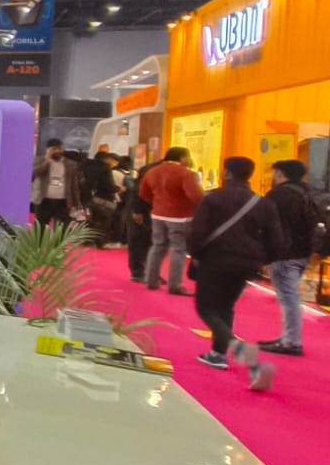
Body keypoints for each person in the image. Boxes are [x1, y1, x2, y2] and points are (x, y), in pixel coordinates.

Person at [189, 157, 284, 391]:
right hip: (246, 264)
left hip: (215, 259)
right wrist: (261, 261)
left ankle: (247, 358)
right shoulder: (263, 204)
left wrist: (196, 254)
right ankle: (217, 354)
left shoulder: (213, 199)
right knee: (225, 307)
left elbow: (197, 232)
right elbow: (276, 241)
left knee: (206, 308)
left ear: (227, 173)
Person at [260, 160, 325, 356]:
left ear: (280, 173)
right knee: (289, 296)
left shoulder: (278, 195)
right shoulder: (308, 193)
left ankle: (291, 341)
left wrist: (263, 254)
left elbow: (268, 226)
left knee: (288, 297)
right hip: (303, 252)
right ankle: (287, 337)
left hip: (283, 253)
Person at [139, 147, 204, 295]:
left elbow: (143, 193)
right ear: (182, 158)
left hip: (157, 214)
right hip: (180, 216)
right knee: (178, 249)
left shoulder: (152, 171)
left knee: (157, 246)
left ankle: (150, 280)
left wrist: (157, 203)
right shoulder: (186, 173)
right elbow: (196, 196)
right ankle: (175, 285)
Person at [31, 139, 82, 227]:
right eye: (54, 149)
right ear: (48, 150)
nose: (58, 151)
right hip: (43, 200)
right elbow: (33, 175)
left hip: (63, 202)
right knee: (40, 227)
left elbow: (74, 186)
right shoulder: (39, 160)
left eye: (59, 148)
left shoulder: (70, 164)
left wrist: (78, 205)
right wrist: (47, 161)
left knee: (61, 228)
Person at [81, 152, 120, 247]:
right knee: (104, 221)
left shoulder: (87, 166)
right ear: (108, 159)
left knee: (93, 219)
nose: (115, 164)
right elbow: (108, 185)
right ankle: (100, 242)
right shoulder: (105, 168)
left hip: (89, 196)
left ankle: (87, 240)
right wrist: (117, 188)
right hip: (104, 197)